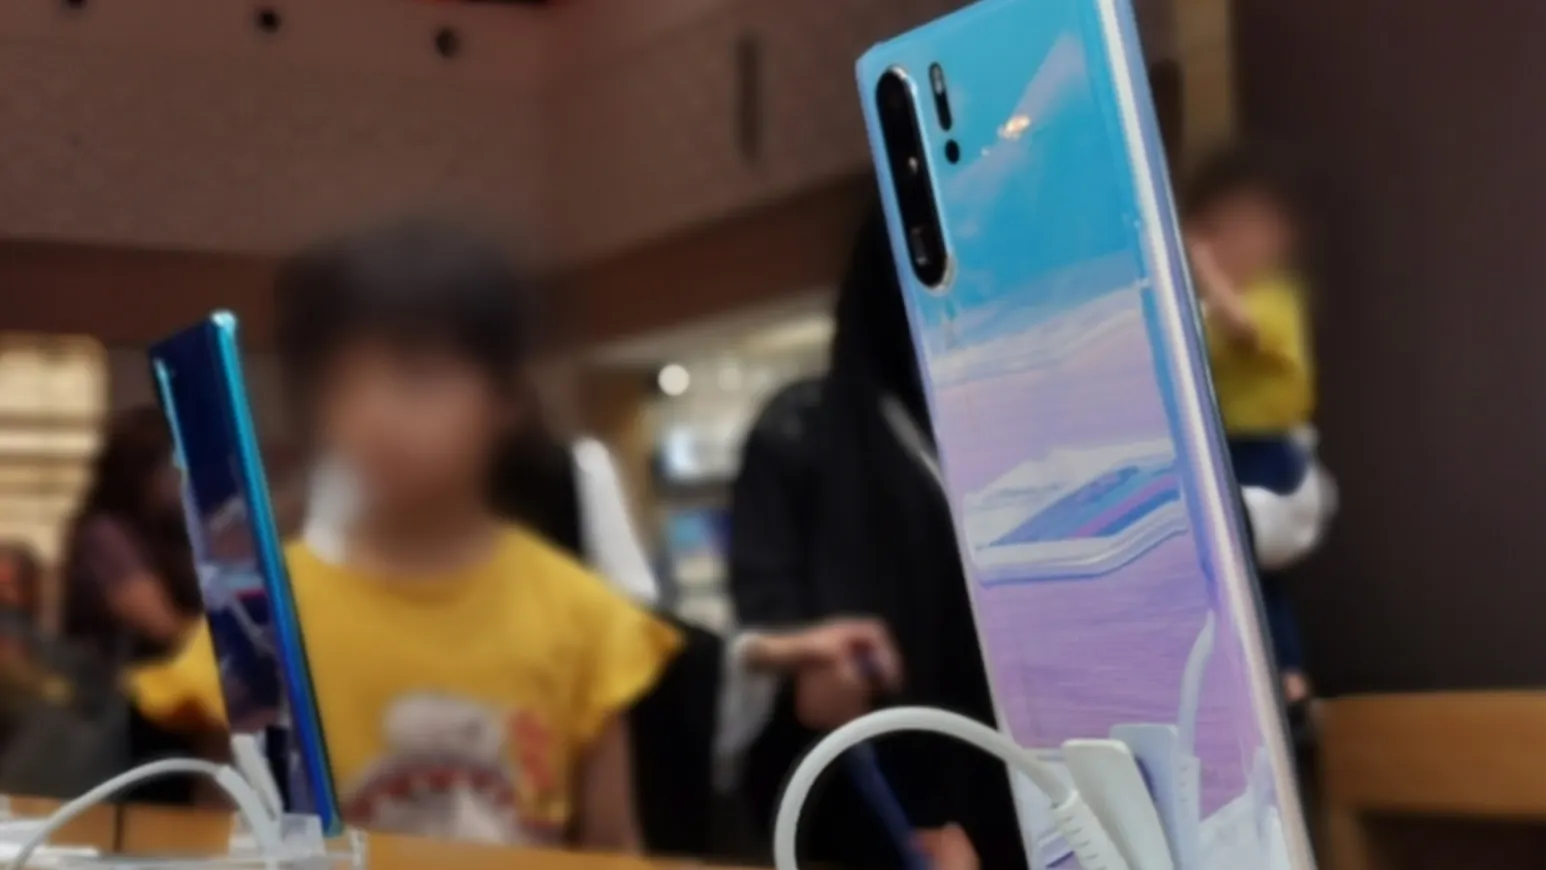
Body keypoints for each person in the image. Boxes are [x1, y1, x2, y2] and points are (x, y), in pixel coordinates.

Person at [133, 220, 678, 849]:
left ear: (506, 397)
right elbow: (218, 841)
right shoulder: (257, 615)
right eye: (344, 383)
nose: (376, 414)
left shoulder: (583, 618)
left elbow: (613, 848)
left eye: (418, 377)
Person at [733, 206, 1028, 870]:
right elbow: (766, 629)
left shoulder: (1017, 423)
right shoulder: (802, 432)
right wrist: (805, 670)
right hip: (868, 797)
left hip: (1025, 785)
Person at [1184, 144, 1319, 706]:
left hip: (1269, 451)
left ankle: (1288, 673)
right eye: (1219, 232)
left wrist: (1205, 267)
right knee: (1238, 574)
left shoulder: (1273, 298)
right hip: (1230, 449)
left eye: (1245, 231)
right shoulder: (1210, 311)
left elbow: (1243, 329)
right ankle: (1257, 673)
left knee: (1254, 566)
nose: (1230, 246)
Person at [60, 407, 202, 666]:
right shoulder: (104, 536)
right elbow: (162, 625)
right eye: (176, 468)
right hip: (124, 681)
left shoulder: (169, 530)